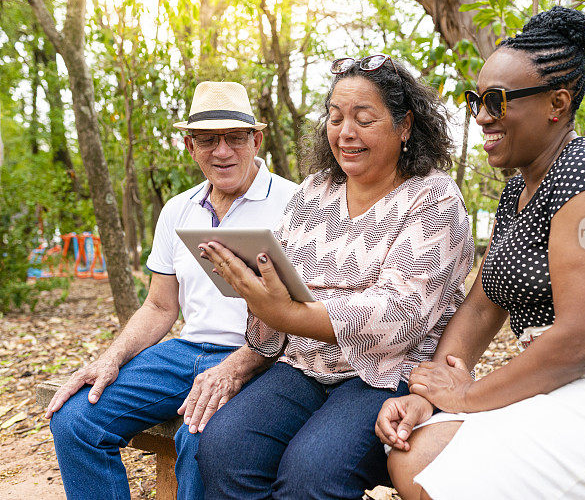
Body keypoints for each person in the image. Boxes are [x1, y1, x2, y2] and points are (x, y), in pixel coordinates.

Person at [376, 7, 585, 500]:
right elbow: (481, 304)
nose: (481, 116)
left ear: (557, 103)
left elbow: (581, 339)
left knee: (433, 473)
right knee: (417, 453)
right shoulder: (516, 194)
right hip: (572, 378)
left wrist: (467, 397)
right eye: (475, 100)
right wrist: (429, 395)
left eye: (496, 101)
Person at [194, 54, 475, 499]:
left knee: (313, 474)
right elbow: (282, 286)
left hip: (385, 373)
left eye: (364, 119)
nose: (346, 133)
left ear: (405, 126)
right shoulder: (315, 191)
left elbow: (400, 314)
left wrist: (286, 313)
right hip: (303, 364)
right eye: (336, 117)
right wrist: (255, 288)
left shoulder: (434, 198)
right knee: (225, 447)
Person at [46, 81, 298, 500]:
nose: (222, 151)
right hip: (186, 352)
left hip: (265, 358)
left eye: (235, 138)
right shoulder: (177, 209)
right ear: (189, 146)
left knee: (199, 440)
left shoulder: (297, 203)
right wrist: (111, 358)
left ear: (256, 140)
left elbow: (306, 314)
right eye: (207, 140)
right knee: (74, 420)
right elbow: (160, 305)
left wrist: (237, 367)